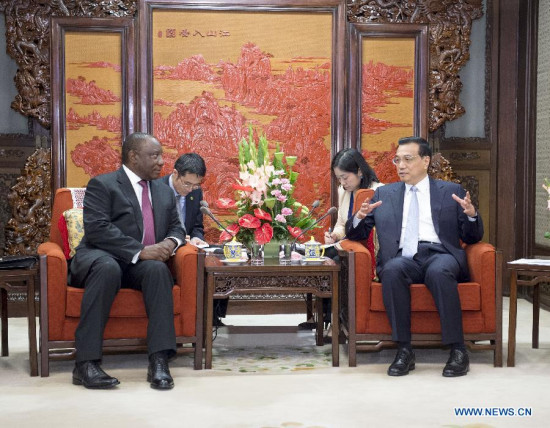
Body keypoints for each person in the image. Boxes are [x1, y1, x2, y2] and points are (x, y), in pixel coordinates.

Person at [346, 136, 483, 377]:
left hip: (440, 253)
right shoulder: (383, 194)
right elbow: (355, 234)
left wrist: (471, 215)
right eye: (397, 160)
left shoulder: (451, 191)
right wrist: (359, 216)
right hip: (404, 257)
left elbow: (472, 237)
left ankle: (458, 349)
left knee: (439, 272)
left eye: (408, 159)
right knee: (391, 270)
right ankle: (404, 350)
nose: (401, 165)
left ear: (425, 161)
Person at [69, 132, 185, 390]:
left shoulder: (164, 192)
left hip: (138, 266)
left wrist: (171, 243)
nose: (161, 162)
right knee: (108, 268)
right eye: (154, 155)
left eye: (161, 155)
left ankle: (159, 361)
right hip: (101, 256)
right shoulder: (103, 184)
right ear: (133, 156)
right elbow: (98, 229)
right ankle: (85, 364)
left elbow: (177, 228)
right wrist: (140, 250)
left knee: (157, 270)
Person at [300, 148, 382, 332]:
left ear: (359, 171)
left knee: (333, 265)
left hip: (366, 252)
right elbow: (341, 223)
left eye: (345, 177)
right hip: (344, 245)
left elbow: (376, 231)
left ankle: (333, 320)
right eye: (339, 178)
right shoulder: (343, 191)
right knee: (317, 261)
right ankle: (322, 318)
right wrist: (334, 235)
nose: (343, 183)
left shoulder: (378, 191)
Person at [157, 153, 228, 326]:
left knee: (220, 257)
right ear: (175, 174)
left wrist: (196, 238)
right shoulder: (155, 189)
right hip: (164, 246)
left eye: (196, 185)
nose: (190, 189)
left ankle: (212, 316)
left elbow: (197, 225)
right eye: (187, 183)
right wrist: (177, 238)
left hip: (188, 247)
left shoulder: (195, 193)